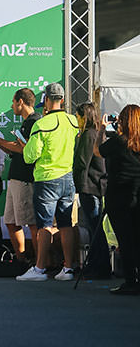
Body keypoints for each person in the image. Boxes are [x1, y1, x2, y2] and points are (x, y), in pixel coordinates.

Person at [16, 83, 78, 282]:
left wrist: (24, 147)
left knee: (44, 225)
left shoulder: (41, 124)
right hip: (68, 176)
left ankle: (40, 268)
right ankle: (68, 268)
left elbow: (30, 156)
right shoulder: (73, 121)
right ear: (62, 99)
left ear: (47, 100)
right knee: (66, 224)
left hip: (46, 178)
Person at [0, 89, 40, 266]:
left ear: (20, 102)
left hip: (25, 179)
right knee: (10, 221)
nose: (11, 106)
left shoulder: (34, 122)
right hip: (15, 177)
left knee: (31, 223)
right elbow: (17, 149)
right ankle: (21, 260)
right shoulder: (26, 122)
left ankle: (39, 263)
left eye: (13, 102)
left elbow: (24, 149)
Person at [98, 104, 140, 295]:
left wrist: (101, 130)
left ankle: (131, 281)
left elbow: (98, 151)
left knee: (125, 239)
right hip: (136, 194)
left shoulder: (119, 141)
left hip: (118, 196)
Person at [73, 102, 110, 278]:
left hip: (90, 185)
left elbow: (82, 163)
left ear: (83, 116)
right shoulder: (92, 133)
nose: (76, 119)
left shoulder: (89, 135)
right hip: (94, 185)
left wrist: (79, 185)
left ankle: (99, 266)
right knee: (94, 227)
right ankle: (98, 264)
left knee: (95, 228)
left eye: (78, 116)